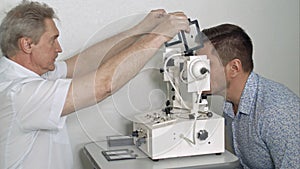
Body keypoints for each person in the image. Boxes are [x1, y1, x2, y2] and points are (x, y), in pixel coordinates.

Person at [0, 1, 190, 169]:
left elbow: (84, 62)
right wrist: (159, 36)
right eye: (52, 40)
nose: (59, 48)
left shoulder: (28, 72)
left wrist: (141, 30)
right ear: (27, 45)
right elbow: (103, 85)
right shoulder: (19, 93)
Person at [196, 23, 300, 168]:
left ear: (234, 68)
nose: (196, 73)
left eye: (205, 65)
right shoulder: (229, 104)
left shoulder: (276, 113)